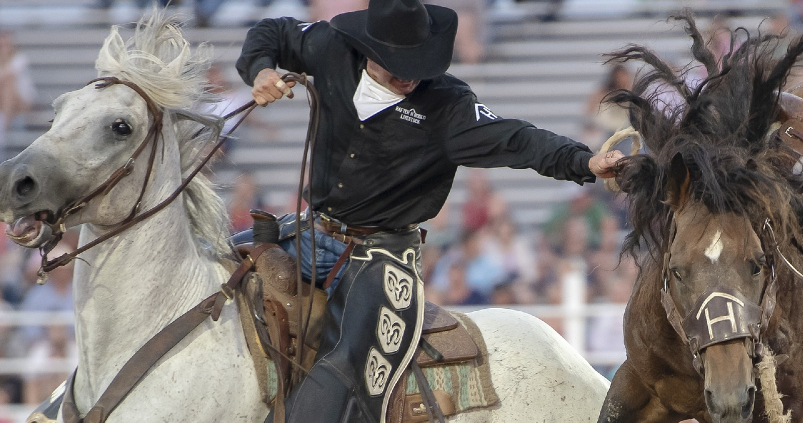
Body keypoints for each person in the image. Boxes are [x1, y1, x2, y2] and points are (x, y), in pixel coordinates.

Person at [233, 0, 622, 420]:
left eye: (418, 62)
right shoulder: (331, 47)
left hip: (383, 258)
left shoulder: (449, 105)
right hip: (312, 230)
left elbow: (518, 139)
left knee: (348, 364)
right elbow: (271, 32)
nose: (409, 75)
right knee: (215, 263)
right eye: (395, 63)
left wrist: (584, 161)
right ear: (367, 49)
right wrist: (262, 71)